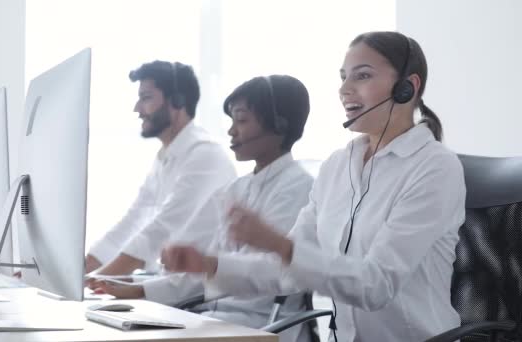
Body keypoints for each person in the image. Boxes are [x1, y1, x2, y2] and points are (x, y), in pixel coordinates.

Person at [162, 31, 466, 342]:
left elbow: (377, 286)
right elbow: (285, 272)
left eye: (362, 76)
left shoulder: (435, 168)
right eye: (343, 77)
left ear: (407, 88)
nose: (345, 89)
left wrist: (279, 245)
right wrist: (210, 265)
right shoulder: (338, 166)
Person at [93, 75, 315, 342]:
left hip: (258, 325)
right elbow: (206, 271)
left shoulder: (299, 189)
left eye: (241, 120)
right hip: (211, 317)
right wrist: (139, 289)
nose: (232, 131)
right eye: (232, 121)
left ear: (279, 125)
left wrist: (200, 267)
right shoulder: (235, 190)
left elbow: (271, 273)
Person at [85, 61, 236, 276]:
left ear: (177, 101)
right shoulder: (165, 157)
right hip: (168, 283)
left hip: (198, 294)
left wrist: (94, 280)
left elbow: (161, 229)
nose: (137, 109)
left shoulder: (205, 156)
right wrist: (83, 268)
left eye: (146, 98)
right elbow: (134, 219)